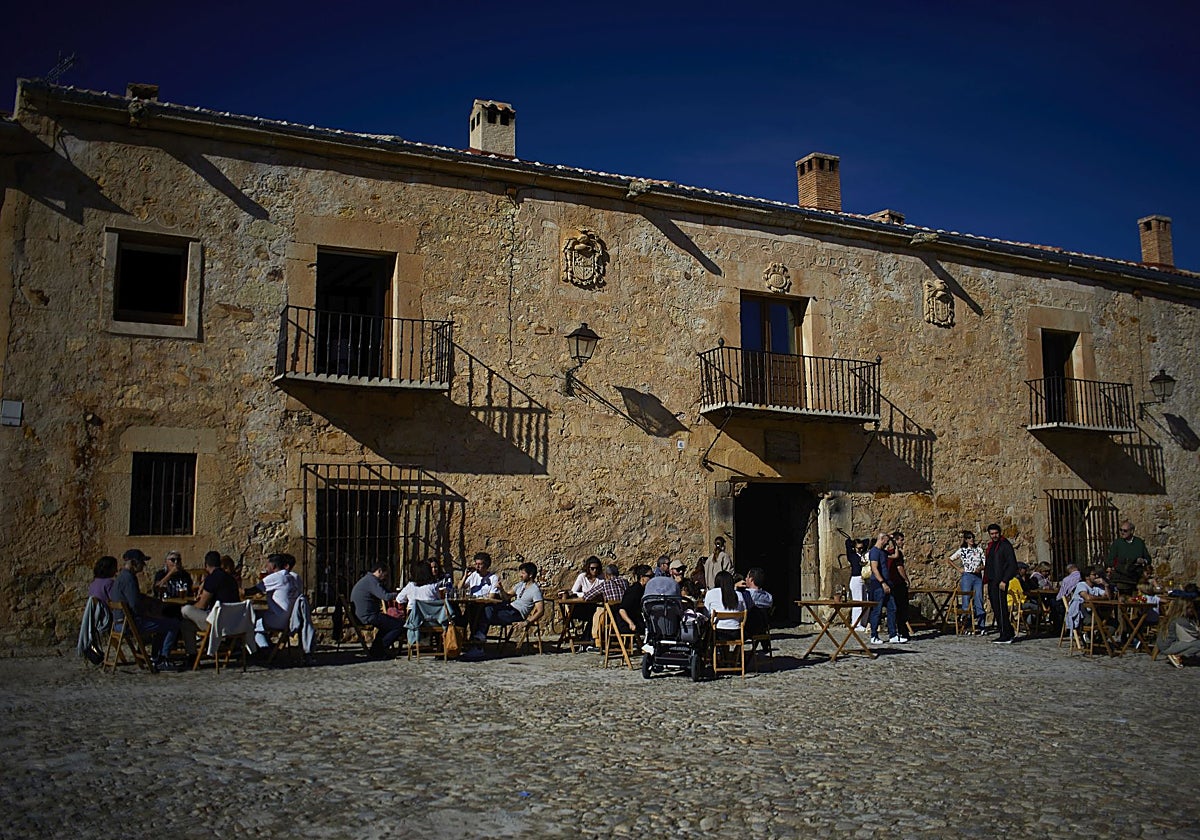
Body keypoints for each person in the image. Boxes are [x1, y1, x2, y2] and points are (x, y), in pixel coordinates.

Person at [112, 548, 182, 670]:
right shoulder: (129, 579)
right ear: (134, 563)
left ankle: (156, 656)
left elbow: (135, 597)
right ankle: (162, 659)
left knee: (162, 622)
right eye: (141, 562)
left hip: (118, 622)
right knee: (172, 624)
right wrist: (151, 613)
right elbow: (135, 605)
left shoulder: (122, 577)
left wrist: (149, 600)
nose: (143, 565)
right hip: (129, 624)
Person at [179, 550, 241, 657]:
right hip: (234, 623)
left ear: (206, 565)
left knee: (185, 610)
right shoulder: (231, 579)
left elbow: (202, 605)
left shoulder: (212, 579)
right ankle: (195, 655)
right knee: (186, 624)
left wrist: (190, 607)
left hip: (217, 623)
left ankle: (192, 655)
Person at [471, 562, 544, 643]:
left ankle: (479, 638)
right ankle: (478, 636)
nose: (520, 575)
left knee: (487, 613)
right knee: (484, 608)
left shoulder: (535, 590)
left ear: (530, 575)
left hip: (517, 613)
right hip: (509, 608)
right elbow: (507, 597)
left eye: (523, 573)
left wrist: (526, 622)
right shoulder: (521, 585)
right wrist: (501, 589)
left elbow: (540, 611)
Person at [351, 563, 406, 659]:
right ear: (379, 571)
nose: (385, 578)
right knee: (400, 625)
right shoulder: (372, 581)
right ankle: (380, 648)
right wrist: (399, 594)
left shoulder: (367, 580)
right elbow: (385, 596)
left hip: (362, 614)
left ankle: (376, 650)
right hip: (368, 616)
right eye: (385, 575)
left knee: (387, 625)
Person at [247, 554, 300, 649]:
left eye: (267, 565)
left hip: (277, 620)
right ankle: (269, 646)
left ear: (273, 566)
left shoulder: (276, 577)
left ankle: (264, 649)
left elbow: (250, 591)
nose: (265, 568)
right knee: (257, 617)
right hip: (291, 620)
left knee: (248, 623)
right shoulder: (293, 577)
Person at [945, 531, 986, 635]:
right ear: (966, 540)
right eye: (969, 538)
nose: (971, 539)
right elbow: (950, 559)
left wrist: (980, 568)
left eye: (972, 537)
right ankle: (966, 626)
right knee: (966, 599)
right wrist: (959, 569)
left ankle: (981, 625)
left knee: (979, 599)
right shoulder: (962, 550)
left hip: (977, 576)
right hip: (967, 575)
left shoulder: (979, 550)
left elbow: (985, 563)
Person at [984, 524, 1018, 644]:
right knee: (996, 607)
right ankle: (1007, 631)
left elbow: (1012, 564)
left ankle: (1005, 634)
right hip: (992, 580)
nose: (994, 536)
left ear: (999, 532)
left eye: (996, 533)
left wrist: (1005, 580)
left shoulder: (1005, 545)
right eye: (992, 534)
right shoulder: (992, 546)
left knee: (1001, 608)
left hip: (1000, 581)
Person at [562, 556, 603, 645]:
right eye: (592, 568)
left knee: (596, 615)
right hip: (581, 606)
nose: (595, 571)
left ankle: (587, 640)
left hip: (594, 606)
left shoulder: (601, 578)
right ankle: (587, 640)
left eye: (597, 568)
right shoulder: (582, 577)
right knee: (593, 616)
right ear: (588, 568)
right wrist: (585, 594)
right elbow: (573, 592)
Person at [866, 533, 898, 644]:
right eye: (886, 541)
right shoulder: (874, 552)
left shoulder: (883, 552)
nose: (887, 543)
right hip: (878, 584)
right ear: (882, 539)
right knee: (877, 610)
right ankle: (874, 636)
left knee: (892, 608)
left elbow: (895, 555)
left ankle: (893, 635)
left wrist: (894, 542)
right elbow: (874, 568)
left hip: (887, 584)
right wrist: (883, 583)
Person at [1107, 521, 1152, 596]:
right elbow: (1110, 560)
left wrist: (1143, 561)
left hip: (1136, 575)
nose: (1122, 532)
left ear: (1132, 531)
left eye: (1125, 531)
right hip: (1122, 576)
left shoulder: (1139, 542)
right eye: (1121, 530)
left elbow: (1148, 559)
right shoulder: (1117, 543)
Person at [1158, 593, 1200, 669]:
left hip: (1166, 645)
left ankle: (1180, 656)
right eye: (1189, 608)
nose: (1192, 609)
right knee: (1198, 644)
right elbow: (1194, 635)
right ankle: (1177, 656)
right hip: (1169, 646)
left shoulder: (1174, 617)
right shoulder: (1180, 620)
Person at [838, 529, 870, 629]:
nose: (860, 549)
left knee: (866, 602)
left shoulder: (863, 555)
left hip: (864, 579)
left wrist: (860, 543)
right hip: (856, 579)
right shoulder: (852, 556)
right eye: (858, 548)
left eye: (861, 548)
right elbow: (847, 545)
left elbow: (867, 541)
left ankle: (863, 623)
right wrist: (850, 541)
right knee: (858, 602)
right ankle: (856, 624)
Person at [703, 570, 745, 640]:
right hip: (736, 631)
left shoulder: (710, 593)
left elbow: (706, 613)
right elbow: (743, 612)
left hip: (718, 632)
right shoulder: (739, 594)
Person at [736, 566, 773, 641]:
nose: (745, 579)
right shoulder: (769, 597)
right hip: (763, 626)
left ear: (751, 579)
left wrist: (735, 586)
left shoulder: (746, 594)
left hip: (747, 627)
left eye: (747, 577)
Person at [618, 564, 653, 634]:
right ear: (642, 577)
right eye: (650, 576)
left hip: (639, 622)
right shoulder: (634, 591)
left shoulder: (644, 590)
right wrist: (630, 623)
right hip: (629, 625)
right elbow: (622, 610)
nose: (652, 579)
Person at [889, 532, 910, 642]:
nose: (903, 542)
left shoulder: (888, 553)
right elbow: (899, 567)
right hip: (898, 582)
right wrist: (906, 579)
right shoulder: (896, 553)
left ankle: (900, 631)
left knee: (897, 608)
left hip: (892, 582)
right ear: (896, 541)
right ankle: (903, 632)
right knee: (902, 608)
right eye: (901, 540)